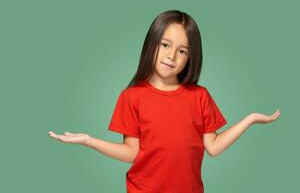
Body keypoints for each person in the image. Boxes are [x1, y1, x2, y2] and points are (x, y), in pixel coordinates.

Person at [48, 10, 281, 193]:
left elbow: (214, 147)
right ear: (152, 44)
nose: (172, 56)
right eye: (165, 45)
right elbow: (131, 153)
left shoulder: (199, 96)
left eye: (182, 51)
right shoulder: (131, 96)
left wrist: (250, 119)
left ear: (191, 57)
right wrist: (90, 141)